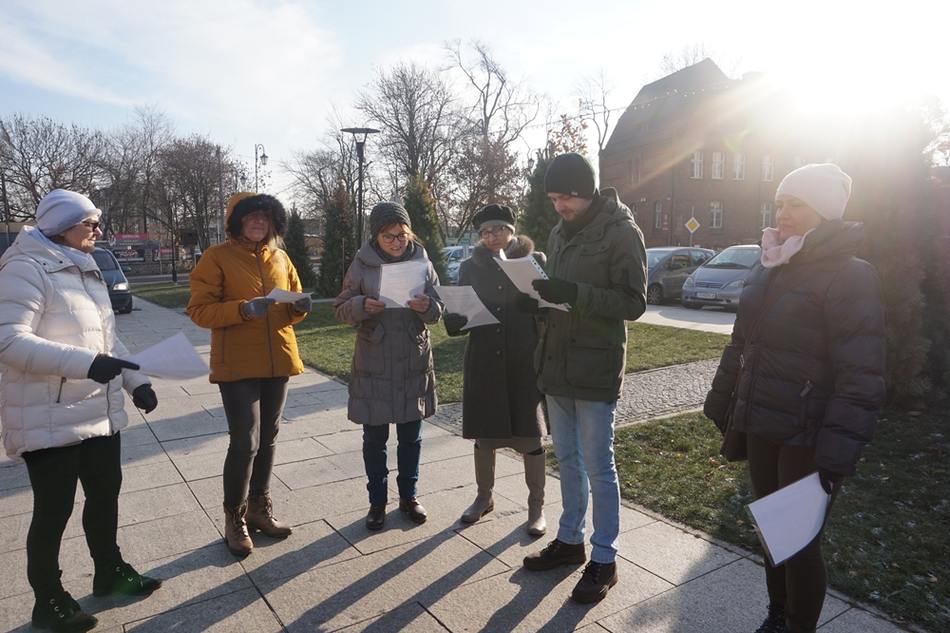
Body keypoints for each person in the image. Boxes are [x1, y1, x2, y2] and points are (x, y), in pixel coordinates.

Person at [703, 164, 886, 633]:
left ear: (825, 212)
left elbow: (861, 374)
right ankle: (777, 617)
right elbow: (742, 343)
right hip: (762, 421)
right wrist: (721, 400)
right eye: (780, 203)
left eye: (796, 204)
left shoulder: (850, 276)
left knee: (800, 543)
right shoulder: (770, 265)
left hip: (809, 433)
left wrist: (838, 450)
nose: (782, 213)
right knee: (772, 531)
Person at [0, 189, 162, 633]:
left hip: (97, 412)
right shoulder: (24, 268)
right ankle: (48, 599)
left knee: (105, 496)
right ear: (63, 225)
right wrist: (87, 365)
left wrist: (137, 381)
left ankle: (109, 572)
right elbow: (9, 340)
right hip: (48, 415)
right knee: (54, 511)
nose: (97, 230)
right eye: (90, 223)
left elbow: (107, 339)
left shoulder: (85, 268)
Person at [520, 153, 647, 604]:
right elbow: (559, 293)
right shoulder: (560, 232)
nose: (558, 207)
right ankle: (570, 540)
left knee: (598, 465)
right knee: (568, 460)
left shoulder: (622, 232)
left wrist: (573, 293)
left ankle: (605, 559)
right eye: (553, 198)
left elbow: (633, 302)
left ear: (587, 192)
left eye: (565, 198)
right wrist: (538, 299)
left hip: (595, 366)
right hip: (557, 363)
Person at [187, 192, 312, 557]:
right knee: (245, 441)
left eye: (265, 217)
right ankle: (235, 517)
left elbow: (292, 301)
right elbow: (199, 310)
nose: (259, 222)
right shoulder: (216, 257)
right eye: (251, 216)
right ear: (236, 221)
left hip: (278, 360)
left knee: (268, 438)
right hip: (238, 364)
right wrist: (242, 309)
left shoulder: (281, 257)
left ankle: (259, 507)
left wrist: (299, 308)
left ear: (274, 223)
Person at [333, 202, 443, 531]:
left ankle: (409, 496)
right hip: (375, 361)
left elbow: (439, 308)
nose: (396, 242)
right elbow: (340, 308)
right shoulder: (362, 263)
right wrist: (361, 305)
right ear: (376, 236)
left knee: (411, 437)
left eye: (401, 235)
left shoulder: (422, 261)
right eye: (388, 236)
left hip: (412, 359)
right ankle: (377, 502)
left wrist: (428, 306)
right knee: (374, 439)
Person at [443, 204, 548, 536]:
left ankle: (536, 508)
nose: (492, 236)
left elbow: (550, 308)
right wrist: (454, 318)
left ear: (512, 230)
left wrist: (539, 307)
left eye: (499, 229)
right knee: (485, 437)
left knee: (530, 437)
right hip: (485, 361)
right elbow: (458, 314)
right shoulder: (470, 267)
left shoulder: (533, 261)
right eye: (485, 232)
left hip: (523, 362)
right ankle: (484, 497)